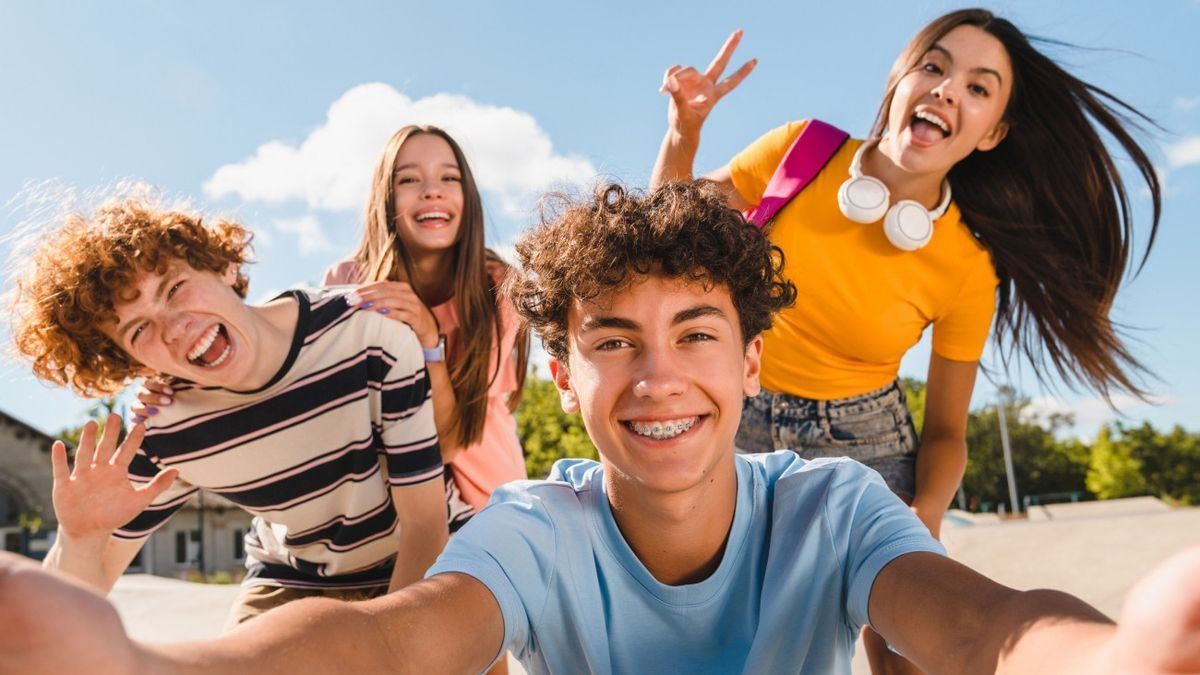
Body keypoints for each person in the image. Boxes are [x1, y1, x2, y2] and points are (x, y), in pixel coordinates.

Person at [2, 182, 1197, 675]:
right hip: (301, 591)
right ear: (563, 376)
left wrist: (1106, 659)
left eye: (695, 334)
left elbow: (986, 620)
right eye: (613, 341)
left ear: (752, 360)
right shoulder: (537, 528)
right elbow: (401, 634)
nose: (658, 376)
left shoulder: (829, 507)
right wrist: (135, 658)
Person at [651, 12, 1161, 673]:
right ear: (898, 79)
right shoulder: (802, 151)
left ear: (992, 134)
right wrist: (683, 132)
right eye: (934, 66)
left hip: (865, 437)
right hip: (734, 413)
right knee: (712, 632)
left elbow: (947, 429)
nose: (948, 90)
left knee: (907, 647)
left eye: (979, 88)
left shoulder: (967, 269)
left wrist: (926, 513)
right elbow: (662, 237)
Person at [6, 193, 448, 627]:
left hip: (419, 555)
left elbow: (425, 525)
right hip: (293, 580)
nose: (177, 327)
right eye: (140, 330)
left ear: (222, 266)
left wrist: (391, 648)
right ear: (138, 365)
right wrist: (79, 537)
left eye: (175, 288)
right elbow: (70, 603)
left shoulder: (367, 334)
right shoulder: (167, 431)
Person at [136, 125, 530, 530]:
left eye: (450, 177)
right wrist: (176, 388)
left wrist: (430, 340)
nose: (432, 190)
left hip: (485, 501)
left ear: (469, 197)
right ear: (385, 197)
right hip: (386, 510)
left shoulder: (498, 288)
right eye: (409, 179)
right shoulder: (348, 279)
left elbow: (451, 442)